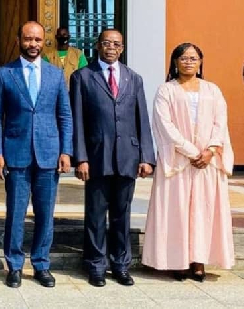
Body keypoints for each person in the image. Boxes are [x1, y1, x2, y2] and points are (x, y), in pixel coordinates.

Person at [0, 21, 72, 288]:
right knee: (15, 213)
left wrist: (66, 151)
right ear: (18, 40)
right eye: (28, 39)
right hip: (16, 153)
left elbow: (64, 115)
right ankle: (14, 265)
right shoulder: (4, 74)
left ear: (43, 41)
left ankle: (41, 264)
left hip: (49, 153)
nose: (33, 44)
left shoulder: (55, 75)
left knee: (45, 213)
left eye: (37, 39)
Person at [70, 29, 155, 287]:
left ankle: (120, 264)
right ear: (98, 46)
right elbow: (77, 120)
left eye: (116, 44)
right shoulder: (82, 77)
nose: (111, 47)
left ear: (122, 48)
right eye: (106, 43)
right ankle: (95, 265)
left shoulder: (133, 78)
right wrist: (80, 157)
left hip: (128, 157)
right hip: (96, 156)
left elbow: (143, 119)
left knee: (122, 214)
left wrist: (146, 157)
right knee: (95, 215)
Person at [142, 43, 234, 281]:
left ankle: (199, 260)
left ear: (201, 61)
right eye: (183, 58)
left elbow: (220, 123)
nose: (188, 62)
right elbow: (164, 126)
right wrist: (192, 152)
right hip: (179, 161)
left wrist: (211, 150)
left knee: (203, 211)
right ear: (175, 62)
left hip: (208, 162)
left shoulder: (213, 90)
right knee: (178, 211)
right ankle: (178, 260)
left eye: (193, 58)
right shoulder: (166, 91)